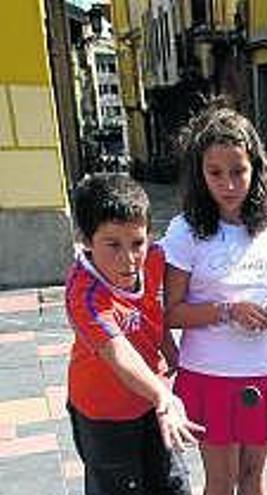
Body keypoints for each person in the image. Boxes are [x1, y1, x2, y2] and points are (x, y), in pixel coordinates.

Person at [161, 107, 267, 495]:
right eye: (216, 173)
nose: (229, 184)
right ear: (200, 174)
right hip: (209, 373)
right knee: (221, 482)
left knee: (253, 480)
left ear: (255, 169)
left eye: (238, 171)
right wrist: (228, 310)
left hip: (264, 366)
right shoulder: (184, 231)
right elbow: (172, 313)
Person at [65, 173, 204, 495]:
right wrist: (163, 396)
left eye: (137, 243)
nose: (129, 260)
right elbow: (119, 354)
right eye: (112, 245)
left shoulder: (155, 259)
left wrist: (171, 352)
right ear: (85, 240)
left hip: (152, 403)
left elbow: (154, 312)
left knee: (172, 484)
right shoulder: (84, 294)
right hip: (104, 414)